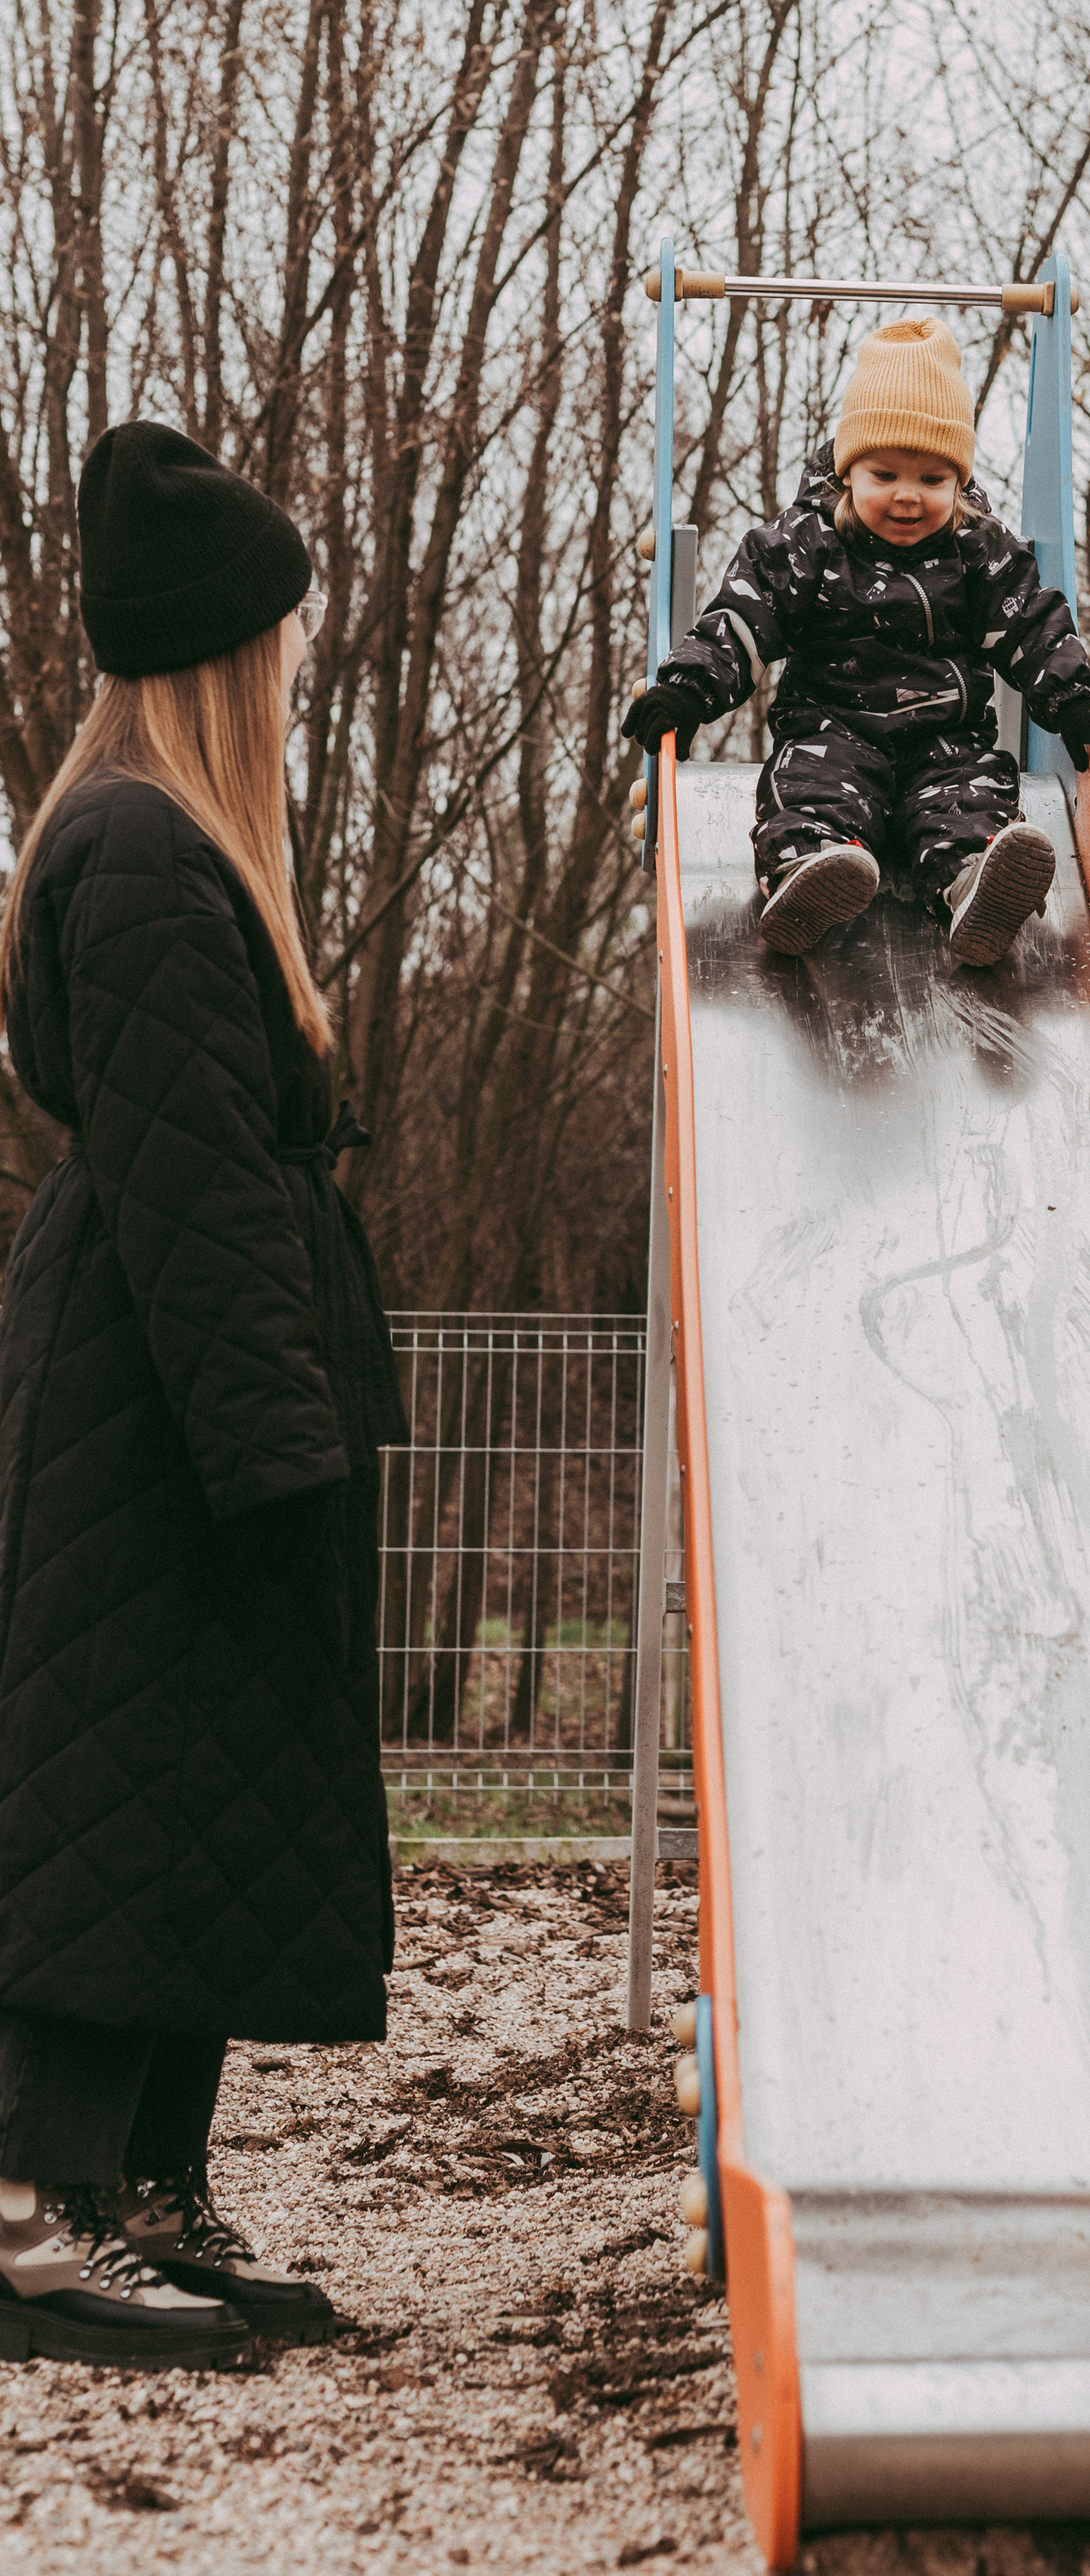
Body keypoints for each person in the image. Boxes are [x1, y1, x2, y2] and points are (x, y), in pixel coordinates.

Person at [0, 422, 405, 2369]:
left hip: (171, 1386)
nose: (297, 666)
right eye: (283, 639)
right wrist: (273, 1438)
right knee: (111, 1782)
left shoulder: (158, 839)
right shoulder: (148, 852)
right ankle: (32, 2210)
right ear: (228, 653)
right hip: (155, 1403)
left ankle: (144, 2185)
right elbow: (189, 1176)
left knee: (195, 1789)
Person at [621, 317, 1090, 963]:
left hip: (947, 743)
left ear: (959, 482)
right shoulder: (806, 544)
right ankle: (810, 871)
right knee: (810, 791)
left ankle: (974, 886)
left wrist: (1075, 701)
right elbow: (741, 621)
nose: (907, 497)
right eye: (884, 475)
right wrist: (688, 691)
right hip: (833, 732)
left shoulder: (979, 552)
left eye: (933, 480)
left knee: (973, 800)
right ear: (848, 471)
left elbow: (1031, 623)